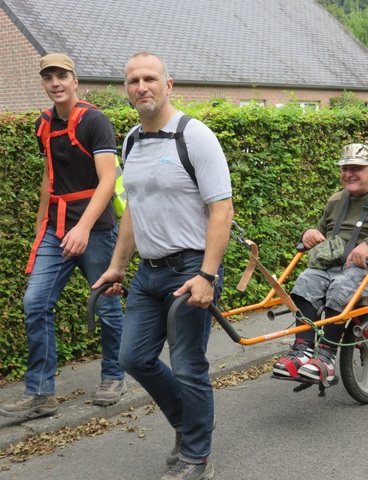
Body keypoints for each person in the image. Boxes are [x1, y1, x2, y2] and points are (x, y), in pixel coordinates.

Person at [94, 52, 233, 479]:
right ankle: (190, 425)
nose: (142, 86)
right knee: (133, 358)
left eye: (150, 78)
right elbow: (134, 208)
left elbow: (222, 210)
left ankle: (197, 456)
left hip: (191, 269)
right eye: (133, 80)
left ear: (168, 85)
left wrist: (207, 276)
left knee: (189, 365)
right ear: (126, 89)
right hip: (149, 272)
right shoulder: (132, 140)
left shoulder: (195, 137)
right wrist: (118, 265)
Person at [0, 54, 126, 419]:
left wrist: (84, 227)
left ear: (75, 80)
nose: (56, 82)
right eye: (49, 77)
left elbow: (107, 180)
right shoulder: (44, 123)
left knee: (105, 304)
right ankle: (40, 394)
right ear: (44, 82)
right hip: (57, 230)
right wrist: (41, 228)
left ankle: (113, 376)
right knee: (35, 303)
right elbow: (48, 178)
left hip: (96, 228)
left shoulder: (94, 121)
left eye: (62, 76)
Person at [272, 144, 368, 383]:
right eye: (344, 168)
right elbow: (321, 230)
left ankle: (326, 358)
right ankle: (302, 352)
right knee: (306, 281)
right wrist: (308, 233)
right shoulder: (336, 200)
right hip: (334, 264)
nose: (348, 174)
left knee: (341, 286)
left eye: (356, 168)